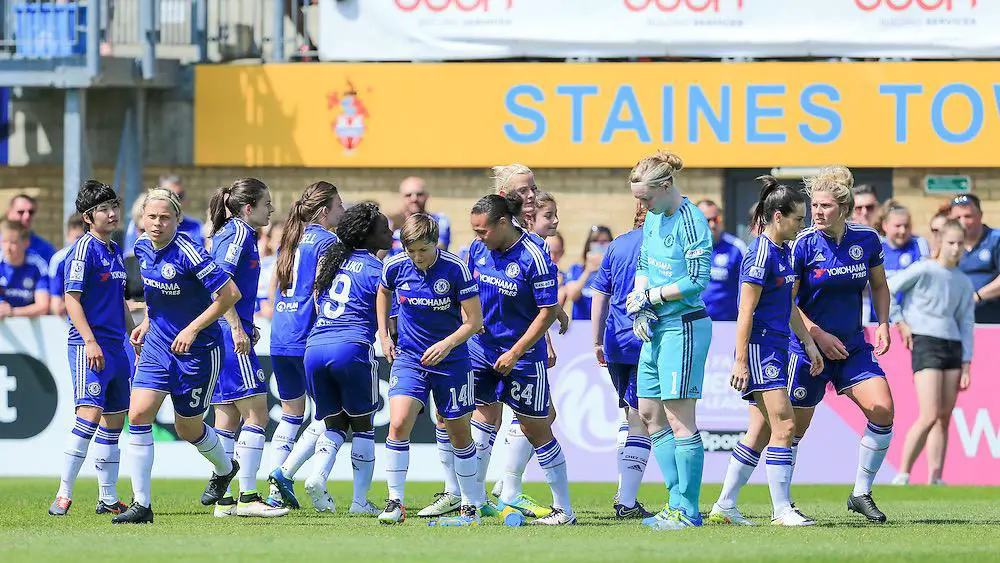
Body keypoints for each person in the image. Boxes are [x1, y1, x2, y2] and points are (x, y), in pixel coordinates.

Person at [114, 188, 242, 524]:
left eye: (165, 217)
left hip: (198, 349)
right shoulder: (141, 247)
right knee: (138, 413)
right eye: (151, 217)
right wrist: (149, 323)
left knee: (188, 428)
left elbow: (229, 295)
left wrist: (192, 329)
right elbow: (157, 297)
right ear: (142, 219)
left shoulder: (189, 250)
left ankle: (225, 468)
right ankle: (141, 505)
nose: (157, 223)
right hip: (158, 345)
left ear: (177, 220)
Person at [788, 166, 894, 523]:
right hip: (808, 349)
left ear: (844, 208)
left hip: (852, 346)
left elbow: (879, 285)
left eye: (825, 206)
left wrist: (882, 323)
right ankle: (782, 504)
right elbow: (787, 302)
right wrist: (816, 334)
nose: (817, 212)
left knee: (882, 409)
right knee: (791, 430)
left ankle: (861, 493)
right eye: (814, 205)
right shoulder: (801, 243)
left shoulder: (866, 239)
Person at [467, 194, 575, 525]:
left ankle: (564, 510)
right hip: (480, 351)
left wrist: (515, 352)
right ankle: (471, 501)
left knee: (536, 429)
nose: (478, 238)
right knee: (469, 420)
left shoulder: (534, 257)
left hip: (523, 358)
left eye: (482, 231)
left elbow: (546, 311)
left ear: (502, 223)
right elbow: (468, 292)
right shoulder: (477, 250)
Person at [723, 176, 822, 526]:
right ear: (778, 217)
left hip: (778, 347)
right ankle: (782, 510)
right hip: (761, 350)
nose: (803, 223)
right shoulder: (760, 253)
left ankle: (724, 505)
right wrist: (740, 361)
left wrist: (808, 341)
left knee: (761, 432)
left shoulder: (784, 251)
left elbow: (789, 306)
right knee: (785, 426)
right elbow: (744, 311)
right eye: (798, 218)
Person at [624, 150, 712, 531]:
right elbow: (645, 263)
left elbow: (697, 280)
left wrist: (653, 298)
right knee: (649, 414)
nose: (641, 206)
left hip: (684, 325)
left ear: (665, 186)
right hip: (656, 325)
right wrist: (640, 302)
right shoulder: (653, 219)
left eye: (645, 197)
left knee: (679, 420)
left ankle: (688, 510)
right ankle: (674, 502)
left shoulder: (691, 222)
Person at [376, 214, 484, 525]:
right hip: (410, 358)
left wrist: (446, 344)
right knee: (397, 424)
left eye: (422, 250)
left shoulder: (455, 269)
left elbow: (474, 322)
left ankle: (469, 504)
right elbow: (383, 293)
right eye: (411, 251)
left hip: (451, 361)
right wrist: (384, 335)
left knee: (458, 432)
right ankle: (395, 502)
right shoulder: (395, 265)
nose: (416, 257)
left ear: (435, 243)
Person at [48, 181, 133, 517]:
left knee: (114, 422)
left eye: (114, 205)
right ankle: (63, 494)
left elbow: (119, 301)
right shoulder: (83, 250)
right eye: (104, 208)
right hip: (91, 347)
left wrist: (134, 330)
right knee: (89, 416)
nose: (112, 213)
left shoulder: (113, 249)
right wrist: (90, 340)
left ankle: (108, 498)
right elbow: (72, 299)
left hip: (116, 346)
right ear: (88, 216)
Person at [300, 202, 391, 516]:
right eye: (384, 229)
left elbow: (315, 300)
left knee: (335, 423)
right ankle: (359, 502)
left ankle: (317, 476)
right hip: (351, 347)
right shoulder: (377, 270)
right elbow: (390, 321)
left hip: (315, 347)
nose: (390, 233)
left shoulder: (332, 263)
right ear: (368, 236)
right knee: (364, 426)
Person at [204, 179, 288, 518]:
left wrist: (246, 323)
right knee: (258, 414)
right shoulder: (238, 234)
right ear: (248, 208)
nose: (272, 209)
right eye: (267, 203)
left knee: (227, 417)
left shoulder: (238, 235)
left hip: (225, 331)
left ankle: (225, 501)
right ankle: (249, 496)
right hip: (228, 335)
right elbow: (217, 284)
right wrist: (237, 327)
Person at [266, 181, 347, 509]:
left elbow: (277, 286)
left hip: (280, 334)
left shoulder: (291, 237)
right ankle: (306, 478)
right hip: (308, 336)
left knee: (290, 414)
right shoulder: (328, 241)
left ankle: (275, 490)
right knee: (331, 414)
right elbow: (320, 292)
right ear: (325, 211)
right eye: (339, 205)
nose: (343, 211)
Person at [888, 220, 974, 486]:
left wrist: (967, 363)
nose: (956, 248)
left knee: (944, 417)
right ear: (939, 242)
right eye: (951, 242)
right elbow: (889, 290)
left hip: (953, 346)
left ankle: (935, 476)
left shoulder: (964, 281)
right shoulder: (923, 268)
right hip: (925, 341)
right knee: (929, 414)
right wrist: (900, 322)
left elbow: (966, 322)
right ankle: (902, 472)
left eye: (960, 244)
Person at [591, 200, 654, 519]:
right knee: (643, 420)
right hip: (649, 342)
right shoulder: (664, 246)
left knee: (629, 415)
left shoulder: (616, 246)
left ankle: (623, 491)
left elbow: (600, 294)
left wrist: (597, 339)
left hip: (617, 342)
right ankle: (627, 501)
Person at [123, 175, 203, 256]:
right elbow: (131, 256)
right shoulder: (140, 224)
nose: (176, 201)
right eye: (169, 196)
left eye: (180, 196)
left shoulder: (195, 226)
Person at [950, 193, 1000, 324]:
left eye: (968, 216)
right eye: (957, 217)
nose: (963, 222)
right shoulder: (949, 243)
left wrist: (977, 296)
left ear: (980, 215)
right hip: (957, 322)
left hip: (992, 321)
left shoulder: (996, 239)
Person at [697, 199, 747, 322]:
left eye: (715, 219)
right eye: (707, 220)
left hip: (727, 324)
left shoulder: (737, 247)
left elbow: (749, 288)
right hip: (695, 324)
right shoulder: (685, 248)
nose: (712, 225)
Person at [879, 202, 930, 321]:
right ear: (885, 225)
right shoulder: (876, 246)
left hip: (911, 319)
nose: (902, 231)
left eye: (906, 226)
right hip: (880, 319)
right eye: (897, 226)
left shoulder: (919, 244)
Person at [0, 219, 50, 319]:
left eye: (13, 242)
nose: (8, 248)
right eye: (4, 241)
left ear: (26, 243)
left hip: (30, 331)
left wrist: (12, 312)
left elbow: (43, 306)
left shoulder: (38, 266)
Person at [389, 176, 451, 255]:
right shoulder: (389, 223)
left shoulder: (439, 221)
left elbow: (440, 250)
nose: (414, 199)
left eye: (419, 194)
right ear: (401, 197)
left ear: (427, 196)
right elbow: (378, 256)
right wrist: (391, 230)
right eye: (408, 195)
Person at [564, 225, 613, 321]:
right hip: (581, 326)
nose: (600, 246)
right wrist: (588, 270)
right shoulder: (576, 269)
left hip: (607, 326)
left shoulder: (614, 271)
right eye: (595, 241)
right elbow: (572, 295)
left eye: (604, 242)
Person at [48, 214, 88, 316]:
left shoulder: (97, 257)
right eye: (77, 238)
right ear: (68, 236)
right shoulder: (59, 260)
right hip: (70, 324)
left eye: (84, 239)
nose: (80, 245)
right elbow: (56, 308)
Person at [6, 193, 56, 262]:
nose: (27, 216)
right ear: (9, 213)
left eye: (31, 212)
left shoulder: (45, 250)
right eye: (21, 212)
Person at [255, 222, 282, 320]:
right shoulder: (263, 266)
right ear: (269, 242)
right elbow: (264, 306)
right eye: (279, 241)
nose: (283, 246)